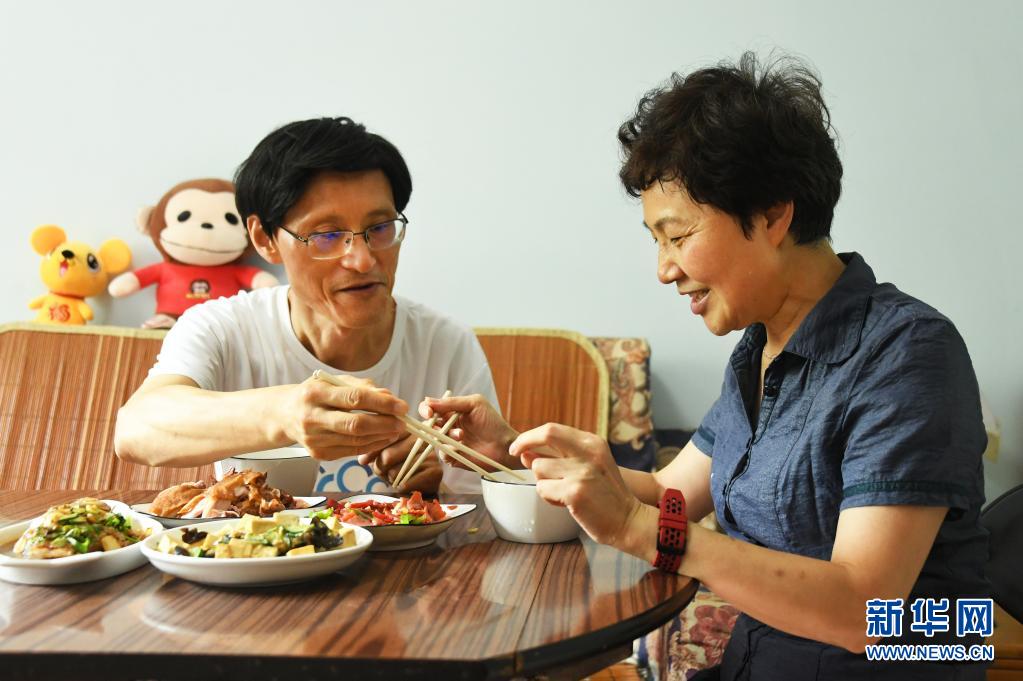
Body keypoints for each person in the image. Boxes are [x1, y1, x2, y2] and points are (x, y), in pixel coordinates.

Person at [424, 53, 989, 678]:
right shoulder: (758, 351)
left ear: (772, 214)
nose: (663, 269)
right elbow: (671, 494)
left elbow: (864, 609)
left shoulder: (907, 354)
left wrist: (642, 530)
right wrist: (512, 454)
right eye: (656, 241)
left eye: (677, 235)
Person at [114, 117, 499, 495]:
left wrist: (433, 490)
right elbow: (136, 430)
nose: (362, 259)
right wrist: (284, 413)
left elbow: (481, 502)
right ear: (264, 239)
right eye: (327, 235)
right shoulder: (222, 326)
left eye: (380, 228)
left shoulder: (444, 343)